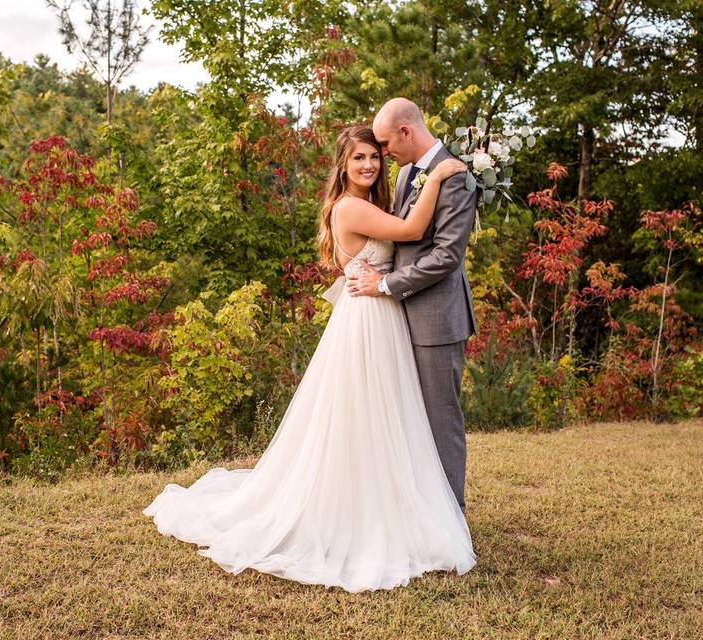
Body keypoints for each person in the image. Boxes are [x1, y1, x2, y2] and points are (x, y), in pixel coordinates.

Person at [142, 125, 474, 593]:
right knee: (363, 417)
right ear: (342, 165)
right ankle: (358, 513)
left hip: (380, 314)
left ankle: (380, 503)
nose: (369, 165)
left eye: (374, 158)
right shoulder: (351, 207)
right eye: (359, 158)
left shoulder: (371, 201)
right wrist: (438, 178)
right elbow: (413, 230)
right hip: (368, 318)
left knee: (381, 419)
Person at [348, 98, 478, 511]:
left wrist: (385, 283)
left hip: (436, 318)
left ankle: (450, 518)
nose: (383, 155)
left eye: (385, 144)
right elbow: (399, 234)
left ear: (406, 131)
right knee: (409, 422)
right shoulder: (407, 173)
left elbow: (445, 257)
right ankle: (418, 513)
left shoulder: (456, 175)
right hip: (399, 316)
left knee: (440, 422)